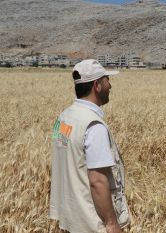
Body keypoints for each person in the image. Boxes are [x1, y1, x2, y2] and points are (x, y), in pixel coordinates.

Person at [50, 59, 130, 233]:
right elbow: (97, 181)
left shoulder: (63, 118)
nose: (110, 86)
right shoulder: (93, 126)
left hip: (69, 219)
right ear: (97, 85)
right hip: (90, 223)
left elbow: (64, 160)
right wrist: (111, 223)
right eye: (107, 80)